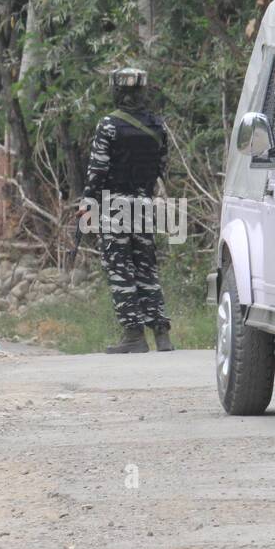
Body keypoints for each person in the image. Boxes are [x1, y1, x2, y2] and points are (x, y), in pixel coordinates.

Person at [80, 67, 173, 354]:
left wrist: (87, 202)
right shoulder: (157, 126)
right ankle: (161, 334)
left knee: (120, 268)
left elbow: (97, 170)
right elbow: (161, 168)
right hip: (144, 204)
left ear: (117, 91)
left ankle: (133, 334)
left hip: (115, 206)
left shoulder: (109, 125)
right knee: (146, 267)